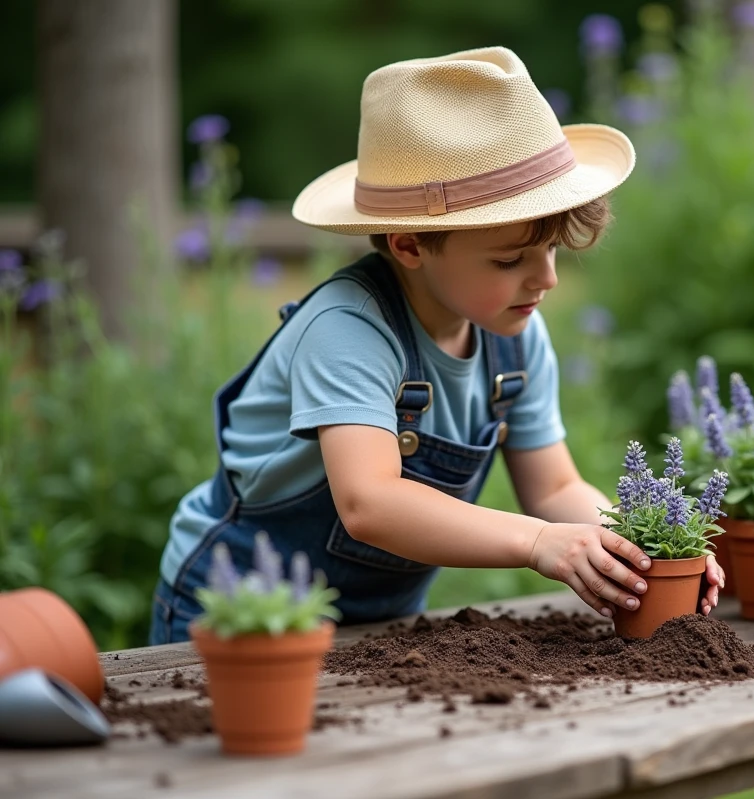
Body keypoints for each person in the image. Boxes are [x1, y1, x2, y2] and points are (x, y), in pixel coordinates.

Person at [150, 46, 723, 645]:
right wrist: (536, 541)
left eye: (551, 249)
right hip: (236, 614)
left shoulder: (513, 337)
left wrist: (647, 547)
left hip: (377, 627)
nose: (547, 279)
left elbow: (554, 488)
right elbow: (370, 502)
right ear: (410, 245)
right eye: (510, 260)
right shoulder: (349, 329)